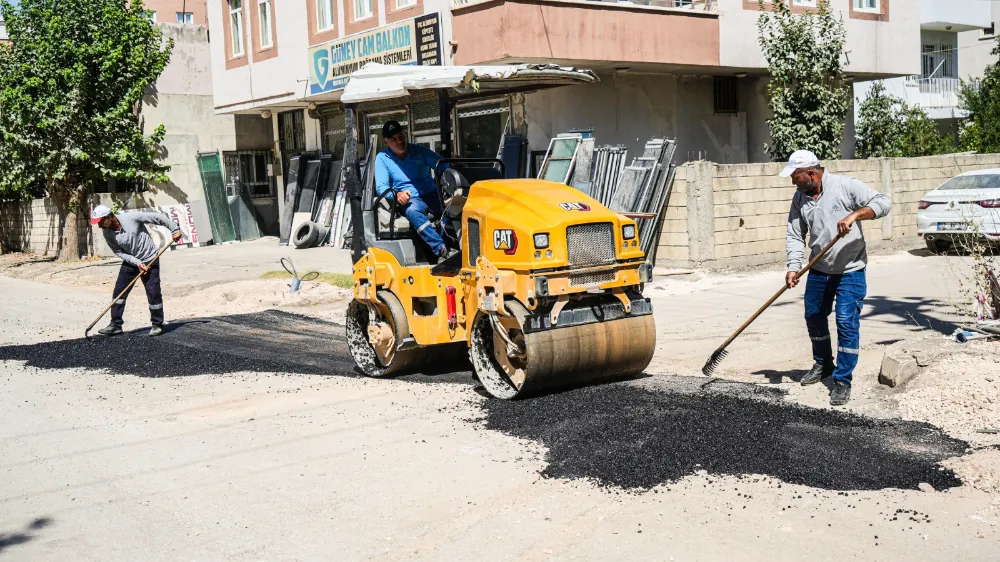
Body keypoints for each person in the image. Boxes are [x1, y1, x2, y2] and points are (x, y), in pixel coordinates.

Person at [783, 149, 892, 406]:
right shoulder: (800, 197)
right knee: (814, 316)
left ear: (811, 173)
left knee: (846, 321)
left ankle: (842, 380)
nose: (792, 182)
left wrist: (855, 214)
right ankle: (823, 365)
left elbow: (883, 202)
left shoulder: (845, 186)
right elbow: (795, 235)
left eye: (795, 177)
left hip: (851, 270)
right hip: (819, 269)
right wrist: (793, 267)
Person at [90, 204, 183, 337]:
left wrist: (174, 229)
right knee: (119, 293)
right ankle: (115, 325)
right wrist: (137, 263)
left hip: (151, 259)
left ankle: (157, 324)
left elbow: (156, 217)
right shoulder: (107, 233)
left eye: (100, 222)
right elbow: (118, 251)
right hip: (132, 262)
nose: (99, 226)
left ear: (109, 217)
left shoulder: (131, 218)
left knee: (153, 292)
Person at [374, 121, 456, 262]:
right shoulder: (382, 158)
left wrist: (454, 166)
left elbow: (442, 165)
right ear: (386, 141)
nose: (399, 140)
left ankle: (454, 246)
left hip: (431, 194)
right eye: (393, 138)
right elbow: (381, 187)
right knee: (413, 211)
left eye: (401, 135)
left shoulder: (419, 151)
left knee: (453, 207)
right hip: (411, 199)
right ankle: (441, 250)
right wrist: (397, 194)